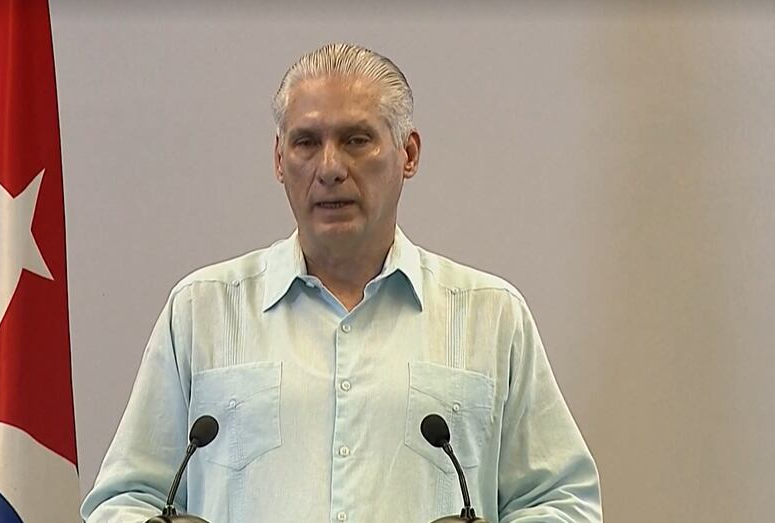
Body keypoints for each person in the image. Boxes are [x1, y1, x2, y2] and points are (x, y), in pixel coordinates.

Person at [82, 42, 602, 523]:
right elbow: (124, 501)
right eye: (306, 142)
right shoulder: (202, 310)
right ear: (279, 160)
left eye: (356, 140)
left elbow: (562, 502)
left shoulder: (490, 315)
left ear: (409, 154)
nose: (330, 168)